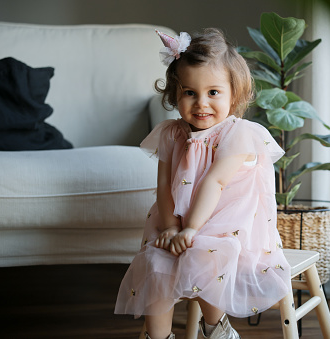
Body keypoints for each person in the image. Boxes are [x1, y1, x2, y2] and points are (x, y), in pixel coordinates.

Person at [115, 28, 291, 339]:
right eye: (189, 93)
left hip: (228, 223)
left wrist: (192, 229)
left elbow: (215, 181)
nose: (201, 104)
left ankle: (216, 328)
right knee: (156, 261)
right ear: (175, 94)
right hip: (180, 221)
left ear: (233, 93)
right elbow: (164, 186)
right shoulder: (171, 133)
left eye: (213, 92)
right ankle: (158, 336)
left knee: (204, 256)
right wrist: (170, 226)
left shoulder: (238, 134)